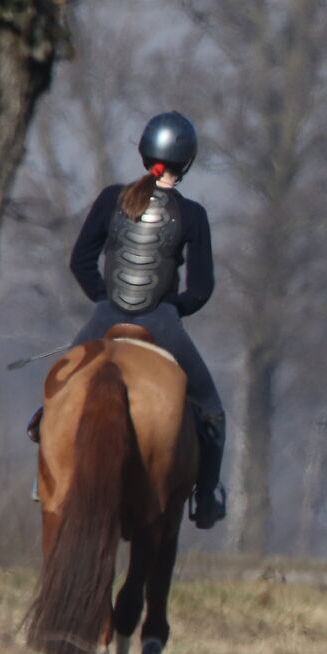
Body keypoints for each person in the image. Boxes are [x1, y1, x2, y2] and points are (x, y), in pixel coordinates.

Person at [59, 111, 227, 527]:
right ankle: (205, 500)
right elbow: (201, 288)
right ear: (186, 161)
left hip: (105, 316)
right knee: (212, 410)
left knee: (58, 393)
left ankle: (41, 478)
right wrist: (169, 309)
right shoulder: (194, 215)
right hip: (163, 323)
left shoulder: (109, 199)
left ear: (144, 151)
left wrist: (107, 301)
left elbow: (81, 261)